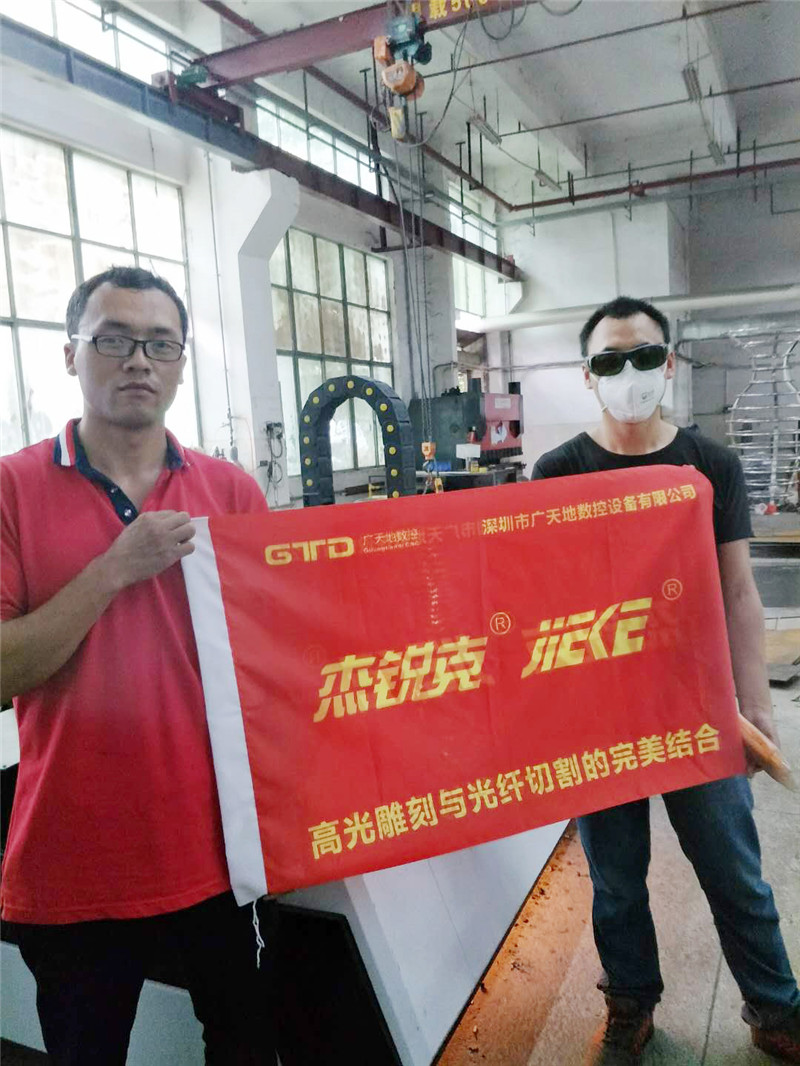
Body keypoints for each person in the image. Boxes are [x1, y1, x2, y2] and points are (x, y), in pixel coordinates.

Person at [0, 267, 278, 1065]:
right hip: (78, 860)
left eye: (160, 345)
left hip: (220, 850)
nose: (137, 361)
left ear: (182, 363)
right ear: (70, 354)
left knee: (246, 1047)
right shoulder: (12, 489)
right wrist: (112, 570)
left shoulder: (230, 490)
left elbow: (276, 660)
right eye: (113, 340)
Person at [532, 296, 800, 1066]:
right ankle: (630, 1007)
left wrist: (756, 706)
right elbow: (543, 606)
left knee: (733, 870)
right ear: (589, 376)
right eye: (610, 360)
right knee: (616, 882)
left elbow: (740, 592)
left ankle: (776, 1009)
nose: (630, 372)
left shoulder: (710, 465)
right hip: (601, 716)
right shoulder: (557, 473)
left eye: (645, 355)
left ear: (670, 363)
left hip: (698, 707)